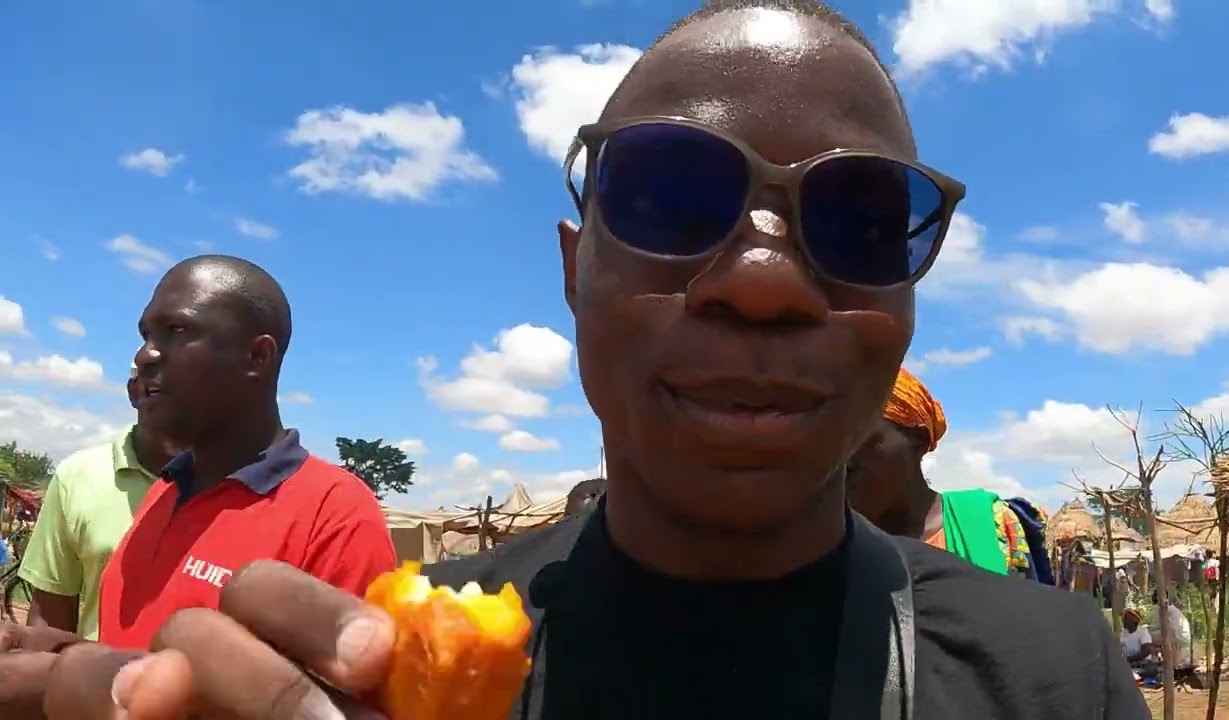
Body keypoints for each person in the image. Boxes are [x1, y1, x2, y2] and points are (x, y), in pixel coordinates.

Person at [27, 3, 1147, 719]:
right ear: (574, 272)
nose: (759, 280)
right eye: (668, 194)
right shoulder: (403, 668)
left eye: (858, 218)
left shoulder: (1050, 676)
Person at [16, 366, 181, 639]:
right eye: (154, 386)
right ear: (134, 392)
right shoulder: (78, 477)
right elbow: (49, 615)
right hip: (99, 679)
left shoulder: (239, 482)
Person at [847, 367, 1053, 581]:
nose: (837, 456)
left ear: (917, 440)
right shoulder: (826, 545)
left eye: (858, 435)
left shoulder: (992, 527)